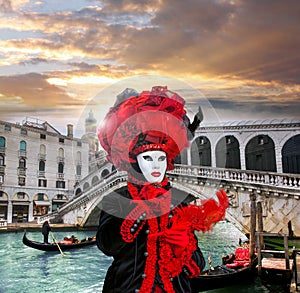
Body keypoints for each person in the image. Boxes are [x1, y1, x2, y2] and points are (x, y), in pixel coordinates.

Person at [96, 86, 228, 293]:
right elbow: (107, 245)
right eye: (148, 158)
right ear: (135, 162)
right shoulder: (117, 198)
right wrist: (141, 210)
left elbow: (197, 265)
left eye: (161, 158)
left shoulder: (177, 203)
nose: (156, 165)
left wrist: (184, 246)